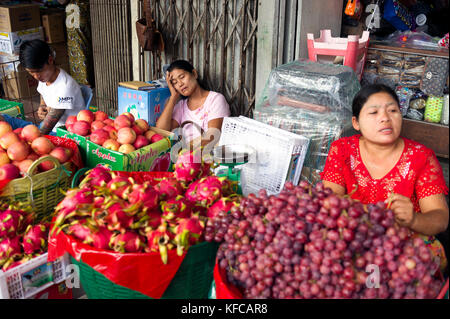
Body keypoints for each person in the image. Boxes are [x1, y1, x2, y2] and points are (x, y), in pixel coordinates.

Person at [321, 83, 449, 270]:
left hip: (404, 247)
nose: (385, 118)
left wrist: (414, 219)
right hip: (353, 241)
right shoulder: (342, 150)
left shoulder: (421, 157)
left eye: (393, 111)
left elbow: (440, 218)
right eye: (373, 113)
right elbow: (329, 203)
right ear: (356, 123)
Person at [156, 60, 231, 149]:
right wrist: (173, 97)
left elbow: (211, 137)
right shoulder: (181, 106)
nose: (180, 84)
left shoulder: (215, 99)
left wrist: (184, 152)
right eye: (174, 82)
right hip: (188, 158)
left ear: (194, 74)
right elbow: (161, 131)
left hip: (209, 158)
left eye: (182, 77)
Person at [19, 39, 85, 135]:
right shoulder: (45, 77)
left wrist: (33, 140)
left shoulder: (65, 86)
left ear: (50, 60)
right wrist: (42, 105)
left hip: (64, 131)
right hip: (52, 126)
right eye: (31, 72)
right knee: (7, 119)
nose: (36, 76)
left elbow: (49, 124)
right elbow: (43, 92)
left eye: (38, 71)